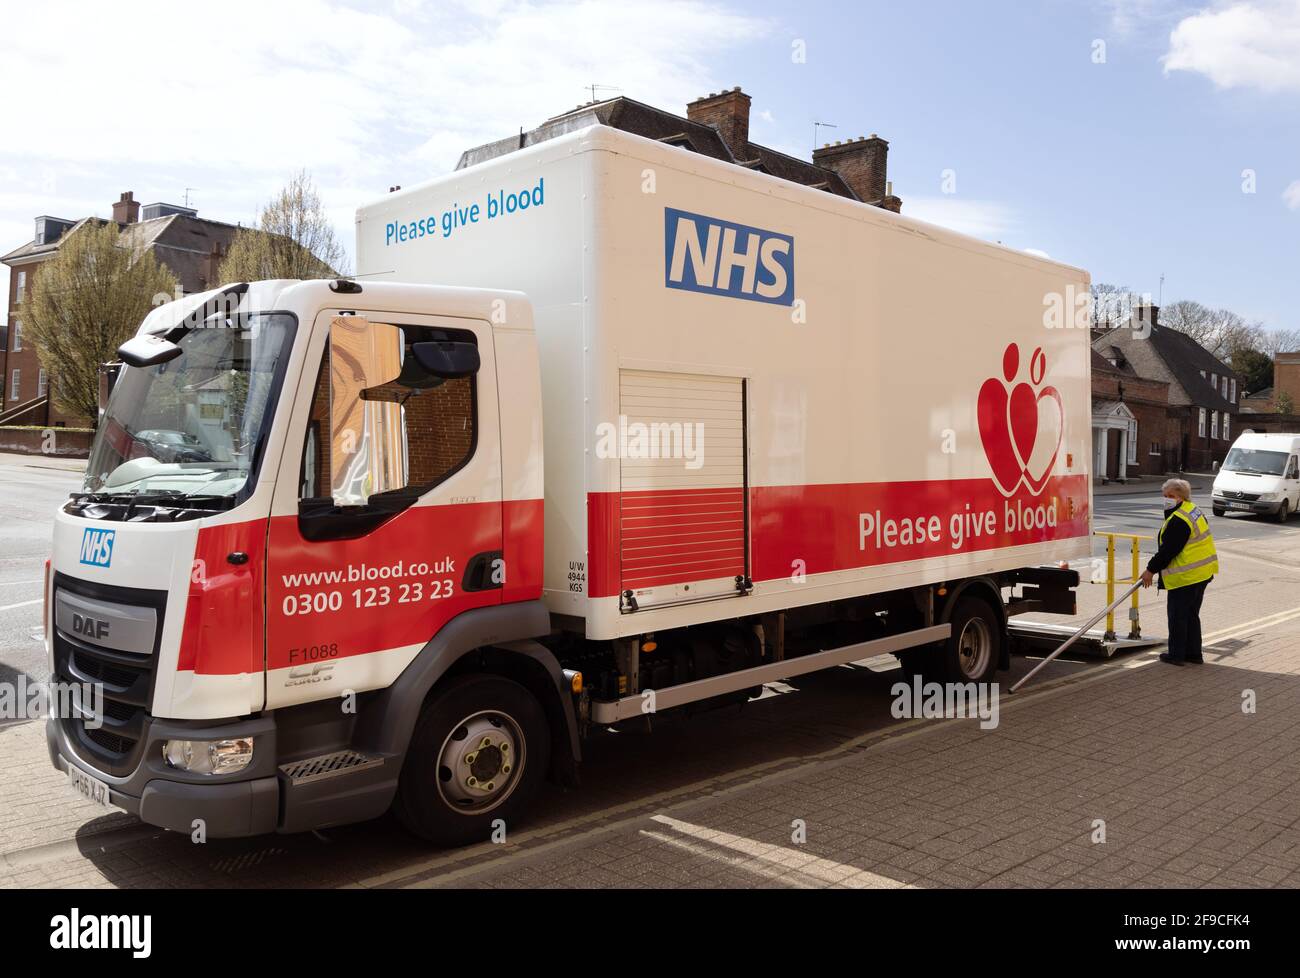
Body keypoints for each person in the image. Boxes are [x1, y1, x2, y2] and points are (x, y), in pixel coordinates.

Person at [1139, 478, 1218, 665]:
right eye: (1165, 496)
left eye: (1171, 496)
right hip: (1202, 573)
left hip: (1186, 576)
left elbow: (1168, 550)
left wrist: (1150, 570)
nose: (1167, 499)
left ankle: (1176, 655)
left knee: (1178, 617)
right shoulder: (1193, 510)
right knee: (1191, 615)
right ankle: (1194, 654)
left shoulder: (1179, 519)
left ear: (1181, 497)